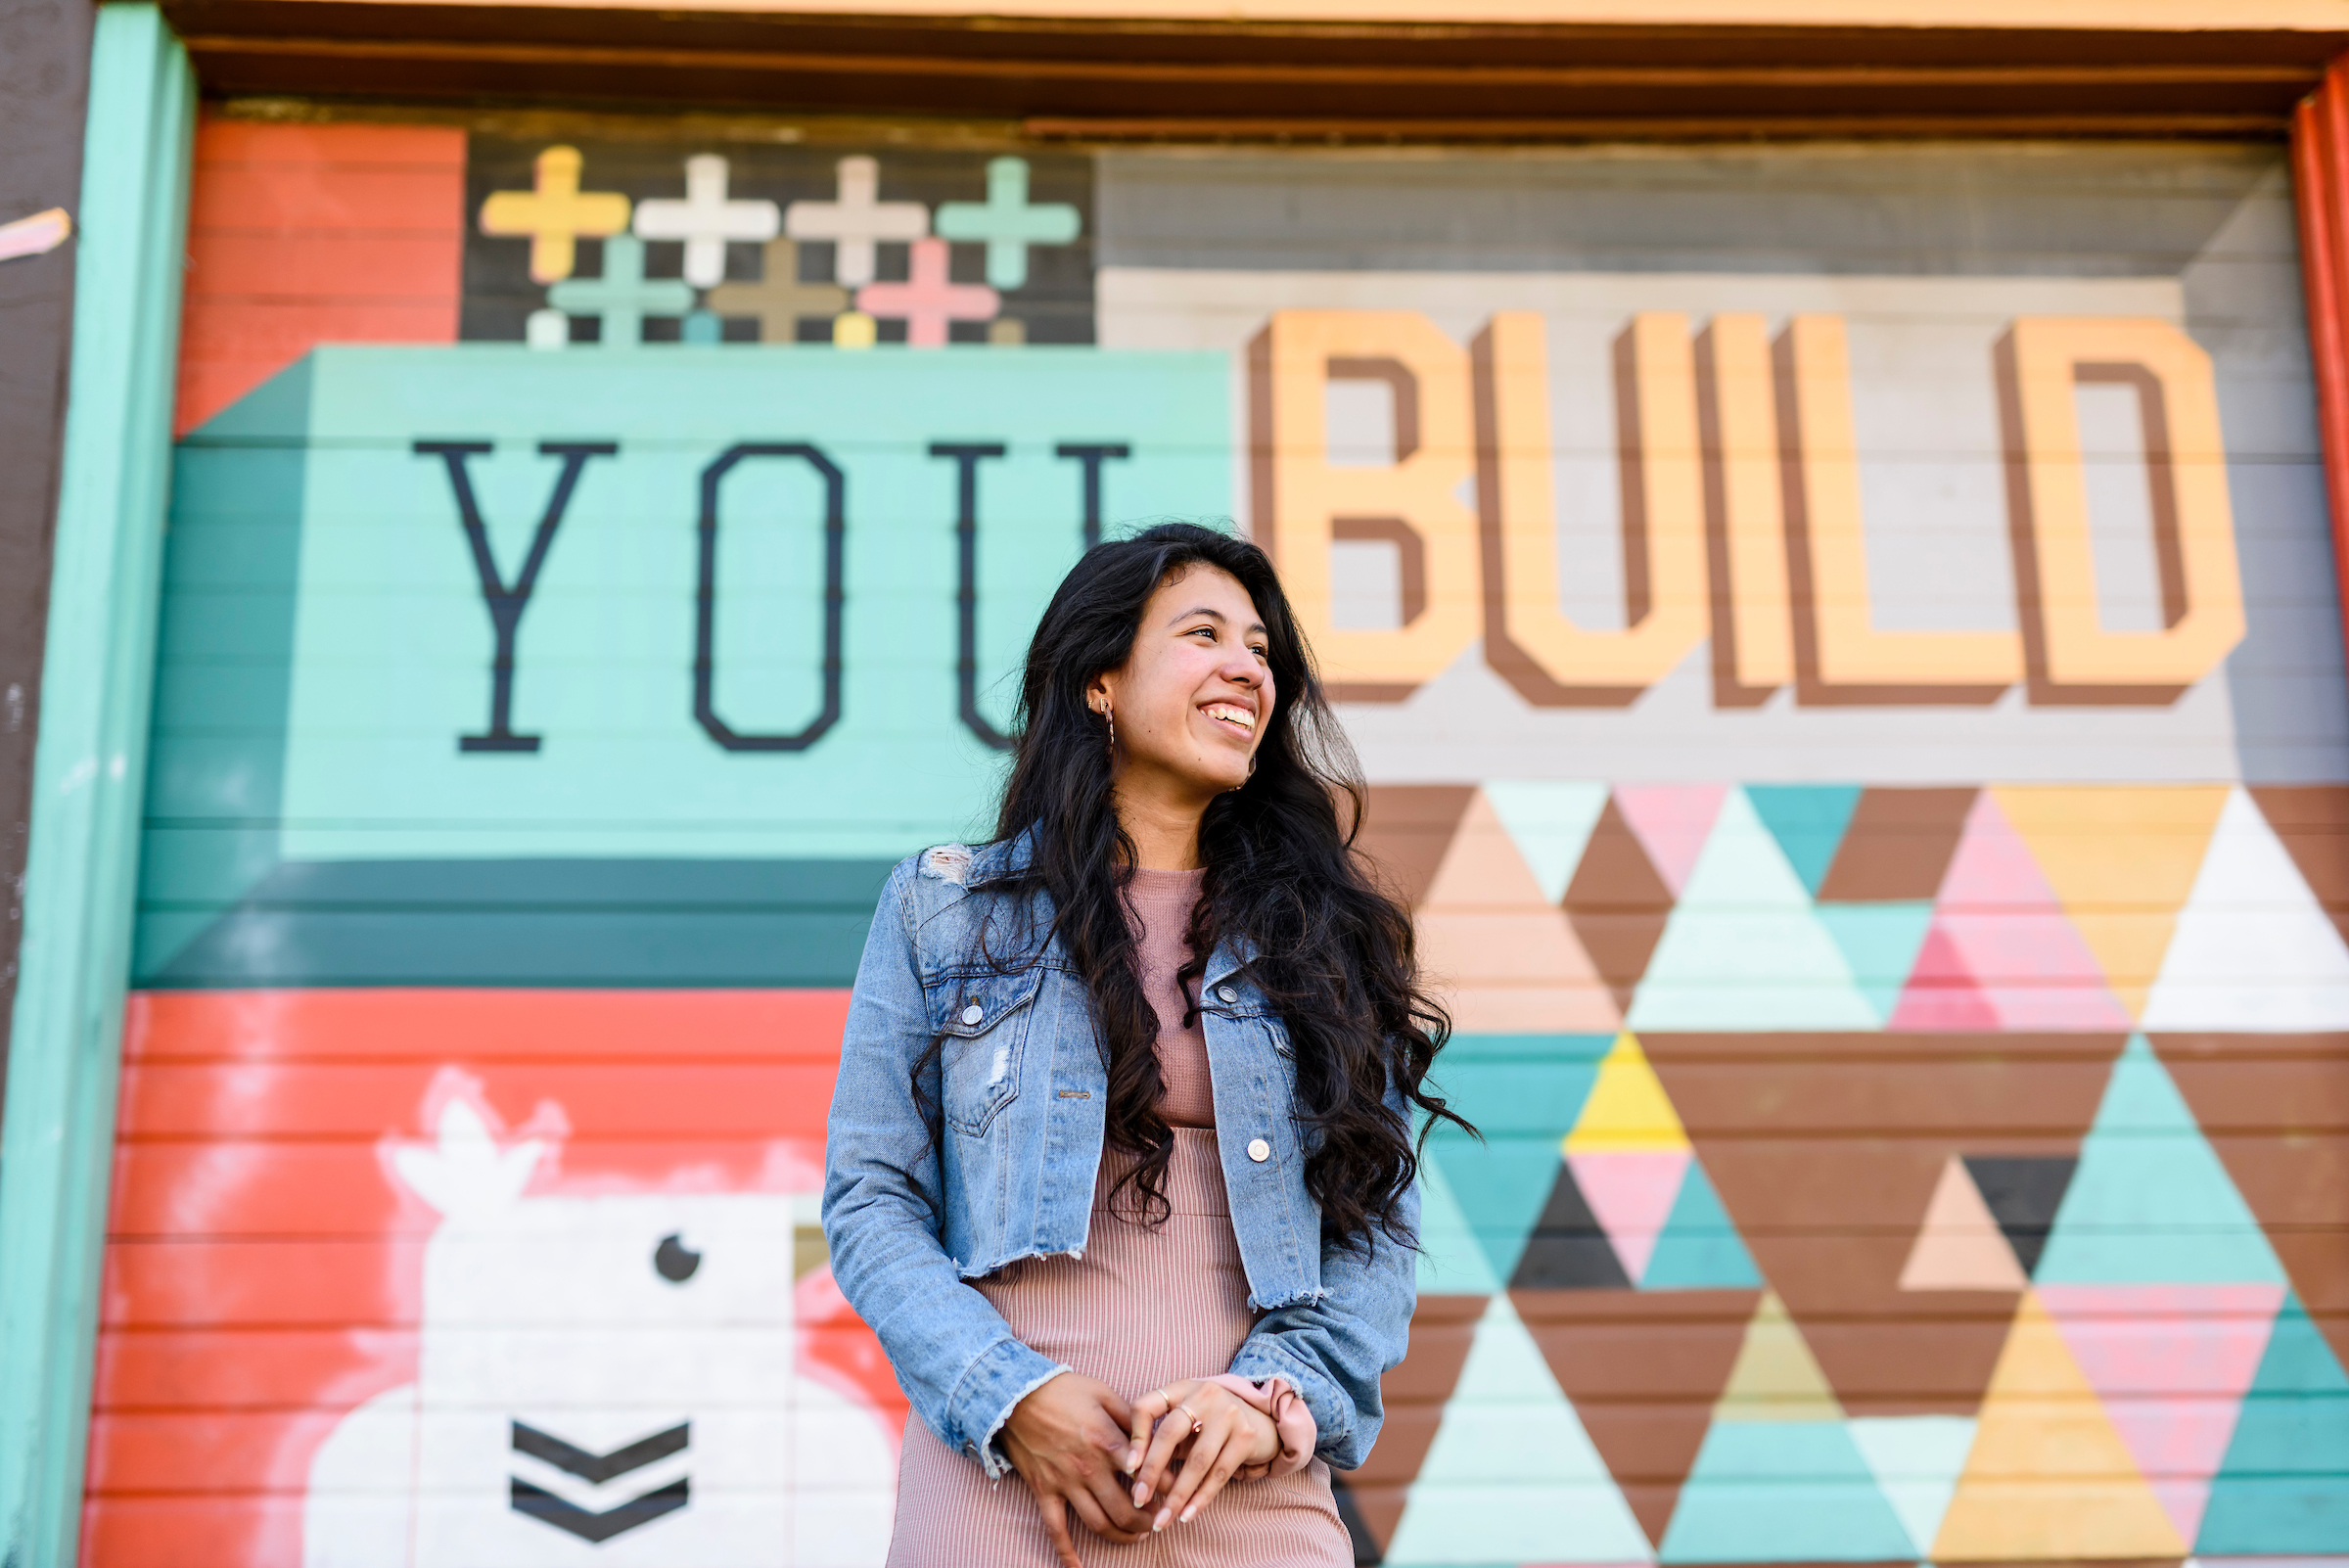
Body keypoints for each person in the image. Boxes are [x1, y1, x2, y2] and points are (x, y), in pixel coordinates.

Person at [823, 523, 1466, 1567]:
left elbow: (1376, 1229)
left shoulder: (1326, 938)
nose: (1245, 669)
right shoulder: (945, 909)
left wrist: (1269, 1403)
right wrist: (1010, 1395)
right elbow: (869, 1197)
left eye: (1261, 650)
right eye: (1203, 634)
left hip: (1250, 1489)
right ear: (1099, 682)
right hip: (1004, 1482)